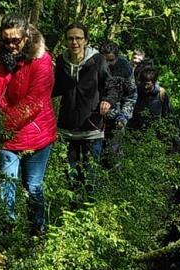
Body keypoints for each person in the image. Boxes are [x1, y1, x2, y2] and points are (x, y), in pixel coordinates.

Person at [0, 13, 56, 237]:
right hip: (7, 138)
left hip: (36, 134)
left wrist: (1, 126)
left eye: (15, 40)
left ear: (26, 37)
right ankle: (6, 231)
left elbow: (34, 102)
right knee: (7, 184)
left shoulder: (41, 60)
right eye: (6, 40)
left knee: (33, 186)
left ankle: (37, 230)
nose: (11, 45)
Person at [52, 22, 117, 190]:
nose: (74, 42)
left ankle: (91, 203)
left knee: (90, 176)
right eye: (70, 39)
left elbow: (110, 85)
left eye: (78, 38)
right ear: (65, 41)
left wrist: (107, 100)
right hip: (67, 128)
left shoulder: (97, 60)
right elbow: (54, 88)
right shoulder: (61, 61)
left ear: (86, 40)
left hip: (92, 127)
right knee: (70, 177)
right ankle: (72, 206)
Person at [98, 42, 137, 168]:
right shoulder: (93, 65)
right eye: (104, 60)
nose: (107, 64)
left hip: (116, 117)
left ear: (117, 57)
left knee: (114, 154)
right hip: (94, 117)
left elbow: (131, 96)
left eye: (111, 60)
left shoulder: (124, 68)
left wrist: (124, 116)